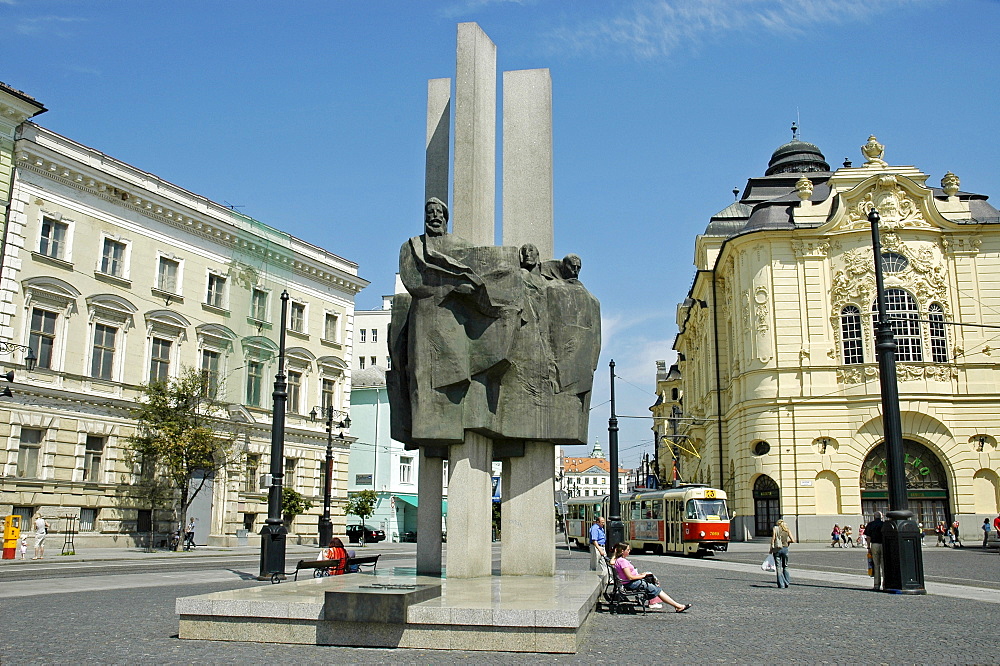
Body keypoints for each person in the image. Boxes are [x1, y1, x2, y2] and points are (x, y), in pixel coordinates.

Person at [610, 542, 690, 612]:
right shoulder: (622, 561)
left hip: (629, 582)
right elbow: (630, 577)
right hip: (631, 583)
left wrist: (641, 575)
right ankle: (677, 606)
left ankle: (658, 602)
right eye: (628, 550)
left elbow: (614, 562)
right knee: (657, 589)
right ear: (623, 551)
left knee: (652, 580)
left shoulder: (619, 560)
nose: (629, 551)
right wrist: (642, 576)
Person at [771, 518, 795, 588]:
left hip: (777, 549)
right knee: (785, 566)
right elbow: (793, 540)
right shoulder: (787, 530)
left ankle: (781, 584)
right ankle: (787, 582)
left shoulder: (775, 529)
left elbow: (773, 539)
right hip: (785, 548)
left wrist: (771, 549)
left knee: (778, 567)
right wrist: (787, 542)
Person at [866, 511, 885, 591]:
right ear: (881, 517)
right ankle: (885, 584)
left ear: (874, 516)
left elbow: (868, 537)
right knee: (884, 566)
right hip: (883, 545)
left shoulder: (870, 524)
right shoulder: (884, 524)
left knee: (876, 565)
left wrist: (868, 547)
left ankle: (876, 585)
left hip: (874, 545)